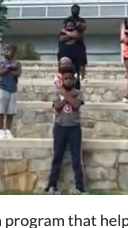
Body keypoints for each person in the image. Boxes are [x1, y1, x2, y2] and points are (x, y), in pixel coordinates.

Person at [45, 66, 86, 194]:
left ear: (74, 80)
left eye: (70, 78)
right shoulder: (57, 93)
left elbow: (75, 105)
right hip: (60, 127)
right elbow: (57, 107)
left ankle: (80, 187)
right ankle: (52, 186)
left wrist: (66, 96)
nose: (68, 81)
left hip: (74, 128)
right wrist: (66, 96)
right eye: (65, 78)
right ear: (62, 80)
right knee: (57, 156)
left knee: (76, 158)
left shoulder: (78, 93)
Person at [0, 44, 22, 139]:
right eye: (5, 49)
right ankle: (0, 130)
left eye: (9, 50)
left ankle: (8, 130)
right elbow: (0, 72)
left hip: (13, 89)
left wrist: (9, 69)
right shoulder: (1, 63)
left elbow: (18, 73)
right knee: (1, 110)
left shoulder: (17, 63)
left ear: (14, 52)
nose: (6, 51)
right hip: (3, 88)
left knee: (10, 111)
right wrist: (9, 68)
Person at [58, 19, 86, 86]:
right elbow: (63, 38)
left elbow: (76, 35)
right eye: (68, 25)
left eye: (71, 25)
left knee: (75, 79)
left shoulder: (77, 34)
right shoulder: (62, 34)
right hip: (64, 60)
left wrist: (67, 33)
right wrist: (70, 35)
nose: (69, 27)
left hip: (75, 60)